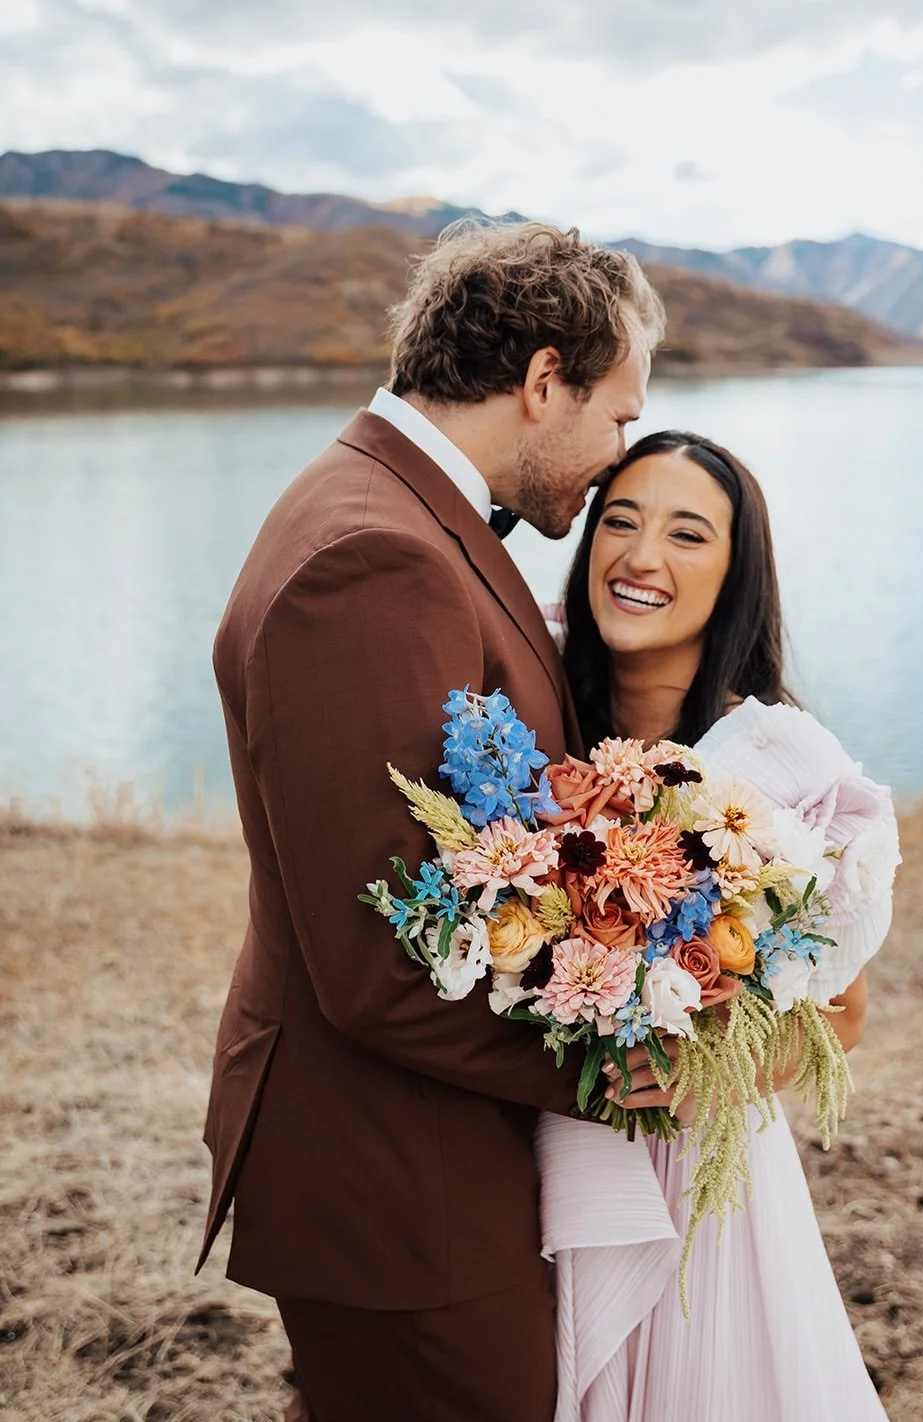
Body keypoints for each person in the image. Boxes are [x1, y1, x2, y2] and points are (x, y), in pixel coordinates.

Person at [196, 222, 666, 1422]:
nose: (618, 455)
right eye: (617, 416)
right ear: (544, 380)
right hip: (397, 1181)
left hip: (421, 1155)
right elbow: (381, 961)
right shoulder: (370, 555)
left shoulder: (392, 507)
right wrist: (632, 1064)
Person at [538, 430, 899, 1422]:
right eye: (619, 521)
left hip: (693, 1177)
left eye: (686, 534)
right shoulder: (525, 707)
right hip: (520, 1147)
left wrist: (713, 1076)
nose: (640, 556)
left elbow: (843, 1013)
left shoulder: (775, 765)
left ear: (735, 576)